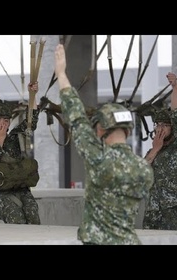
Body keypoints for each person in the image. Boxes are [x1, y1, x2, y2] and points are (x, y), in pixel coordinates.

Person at [53, 44, 154, 245]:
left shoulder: (98, 158)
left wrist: (61, 74)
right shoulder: (144, 169)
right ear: (128, 130)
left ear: (100, 129)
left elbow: (76, 118)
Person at [0, 82, 41, 224]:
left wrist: (32, 95)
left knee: (34, 218)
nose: (2, 124)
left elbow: (31, 120)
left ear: (10, 122)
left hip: (22, 190)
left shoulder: (15, 137)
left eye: (5, 120)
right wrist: (0, 139)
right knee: (16, 219)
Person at [142, 72, 177, 230]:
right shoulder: (152, 151)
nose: (160, 129)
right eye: (158, 125)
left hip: (173, 210)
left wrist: (175, 88)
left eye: (165, 125)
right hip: (153, 211)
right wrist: (155, 149)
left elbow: (176, 114)